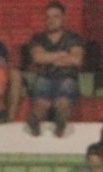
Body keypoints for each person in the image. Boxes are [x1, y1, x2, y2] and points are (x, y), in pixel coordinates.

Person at [21, 1, 84, 137]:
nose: (51, 20)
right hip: (44, 78)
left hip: (67, 78)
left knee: (63, 100)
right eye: (48, 17)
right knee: (41, 102)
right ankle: (34, 123)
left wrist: (48, 57)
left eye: (55, 16)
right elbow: (38, 58)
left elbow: (76, 59)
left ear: (63, 18)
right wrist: (62, 55)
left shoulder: (73, 37)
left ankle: (60, 124)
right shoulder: (38, 38)